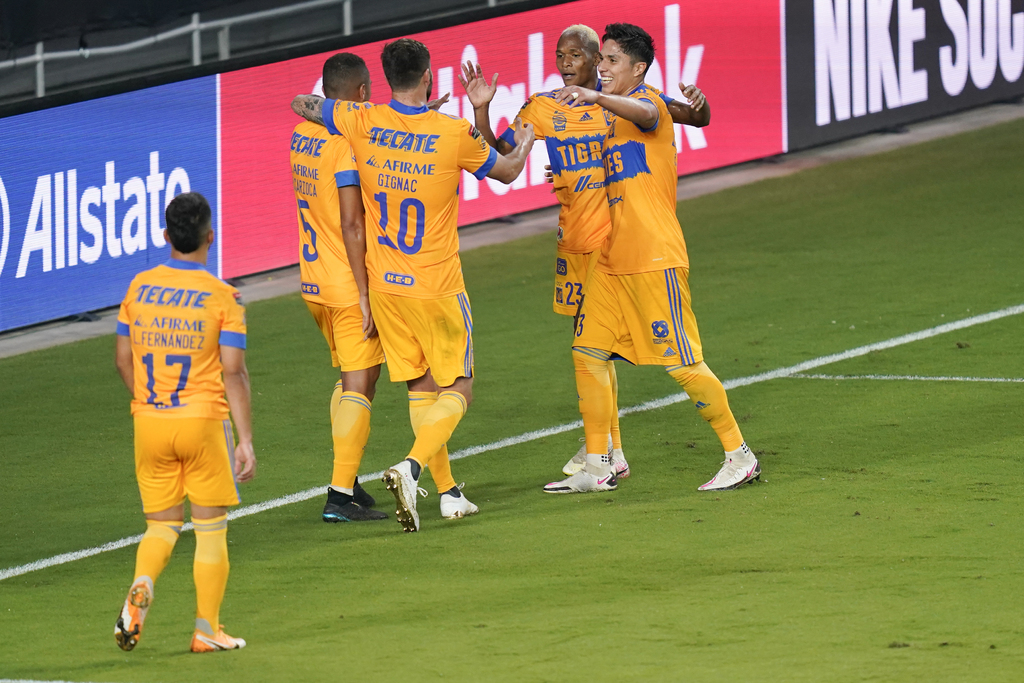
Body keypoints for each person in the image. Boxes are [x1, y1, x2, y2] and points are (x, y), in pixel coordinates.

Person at [291, 38, 535, 531]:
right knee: (459, 387)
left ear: (384, 80)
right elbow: (508, 170)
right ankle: (411, 467)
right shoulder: (452, 132)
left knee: (421, 387)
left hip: (385, 287)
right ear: (427, 77)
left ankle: (448, 494)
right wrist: (525, 137)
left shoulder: (362, 121)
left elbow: (303, 104)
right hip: (436, 285)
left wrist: (392, 120)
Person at [460, 24, 709, 481]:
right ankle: (609, 450)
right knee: (592, 349)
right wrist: (482, 111)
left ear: (597, 59)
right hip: (573, 240)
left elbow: (690, 116)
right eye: (560, 54)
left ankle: (607, 450)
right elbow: (501, 159)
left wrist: (701, 103)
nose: (565, 63)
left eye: (575, 54)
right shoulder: (544, 106)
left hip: (615, 242)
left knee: (599, 348)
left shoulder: (623, 101)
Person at [540, 23, 759, 494]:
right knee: (587, 351)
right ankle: (600, 463)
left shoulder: (647, 103)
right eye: (602, 59)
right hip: (612, 258)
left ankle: (739, 456)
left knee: (682, 363)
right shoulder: (608, 114)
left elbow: (651, 113)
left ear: (638, 68)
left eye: (612, 60)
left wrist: (597, 96)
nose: (601, 67)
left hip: (654, 256)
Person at [113, 192, 255, 653]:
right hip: (202, 422)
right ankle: (206, 629)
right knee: (211, 528)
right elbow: (233, 371)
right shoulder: (224, 297)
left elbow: (122, 360)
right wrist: (245, 439)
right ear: (210, 236)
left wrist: (150, 402)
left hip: (150, 421)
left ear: (165, 235)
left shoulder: (138, 287)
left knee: (161, 526)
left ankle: (143, 582)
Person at [292, 53, 389, 523]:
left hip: (313, 280)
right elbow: (352, 224)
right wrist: (365, 292)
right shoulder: (345, 144)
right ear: (361, 93)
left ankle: (347, 477)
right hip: (347, 285)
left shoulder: (301, 135)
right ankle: (338, 495)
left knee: (360, 378)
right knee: (359, 381)